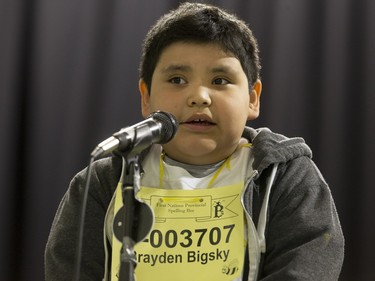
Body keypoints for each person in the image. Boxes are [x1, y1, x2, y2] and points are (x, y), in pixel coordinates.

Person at [45, 2, 344, 281]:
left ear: (252, 98)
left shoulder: (286, 179)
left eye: (219, 81)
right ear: (146, 98)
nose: (198, 96)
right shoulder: (103, 183)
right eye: (177, 79)